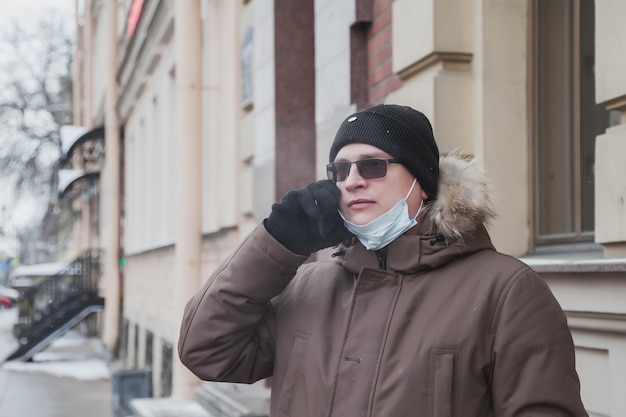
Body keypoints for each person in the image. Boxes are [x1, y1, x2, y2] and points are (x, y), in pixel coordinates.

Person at [178, 104, 588, 416]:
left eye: (373, 165)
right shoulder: (308, 284)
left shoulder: (506, 291)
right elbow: (206, 350)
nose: (352, 180)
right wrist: (274, 247)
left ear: (421, 184)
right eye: (340, 169)